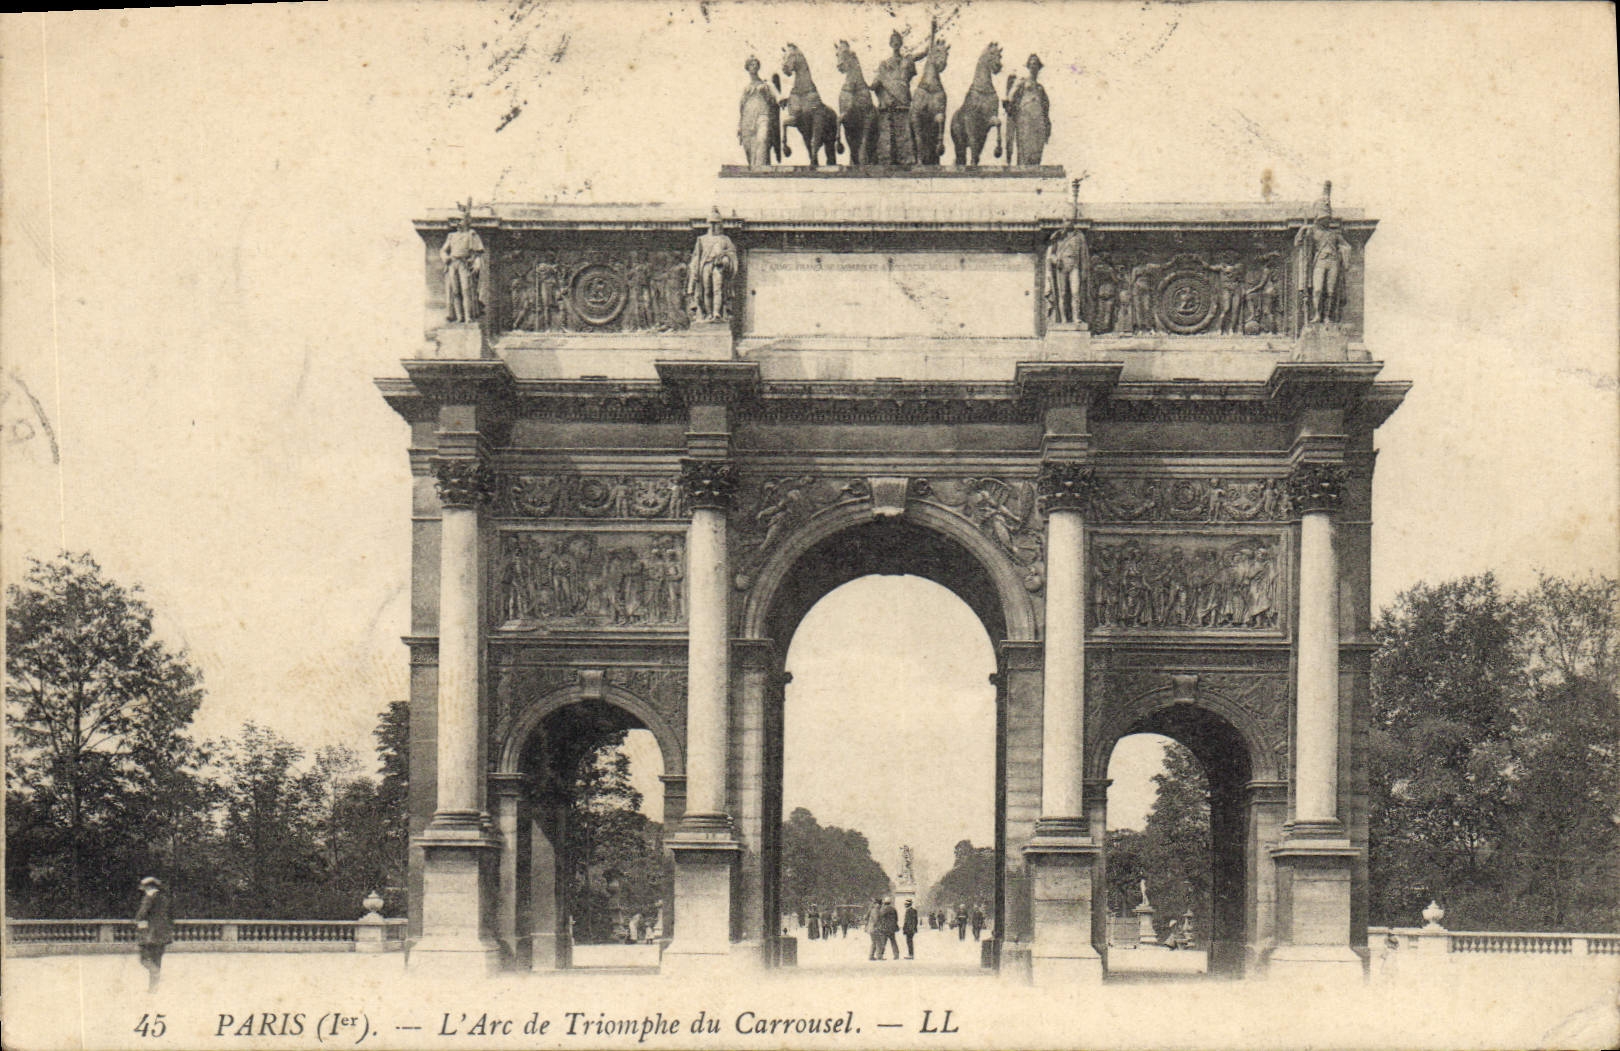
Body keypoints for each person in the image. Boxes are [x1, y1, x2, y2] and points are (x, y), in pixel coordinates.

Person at [440, 206, 484, 323]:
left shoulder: (471, 235)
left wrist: (476, 262)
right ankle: (459, 317)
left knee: (466, 290)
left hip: (464, 264)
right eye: (456, 221)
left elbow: (478, 253)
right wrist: (445, 257)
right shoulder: (451, 236)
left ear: (466, 221)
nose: (458, 223)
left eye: (460, 220)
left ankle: (468, 316)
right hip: (453, 263)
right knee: (455, 291)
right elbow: (443, 250)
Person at [133, 876, 173, 991]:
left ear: (148, 887)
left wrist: (137, 920)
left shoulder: (149, 897)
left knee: (144, 958)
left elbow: (142, 914)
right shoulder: (165, 898)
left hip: (150, 933)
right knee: (157, 959)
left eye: (144, 887)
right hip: (163, 933)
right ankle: (153, 987)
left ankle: (155, 976)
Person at [877, 896, 901, 961]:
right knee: (893, 942)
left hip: (884, 928)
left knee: (883, 942)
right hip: (892, 928)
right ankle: (896, 955)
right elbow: (896, 918)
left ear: (884, 902)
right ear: (890, 902)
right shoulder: (893, 909)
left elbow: (880, 918)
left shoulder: (883, 909)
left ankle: (880, 955)